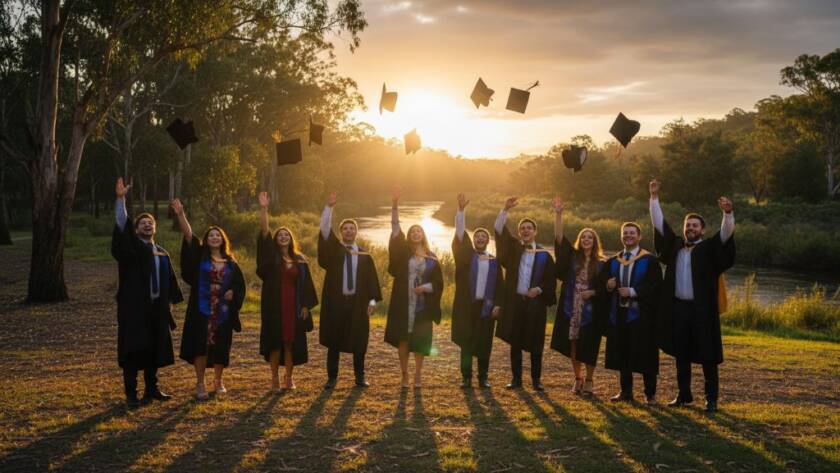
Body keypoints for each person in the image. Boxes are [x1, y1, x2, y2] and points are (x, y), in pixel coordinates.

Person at [649, 179, 735, 413]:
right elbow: (659, 225)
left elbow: (725, 237)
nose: (691, 228)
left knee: (708, 355)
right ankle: (683, 395)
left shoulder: (708, 250)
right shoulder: (676, 246)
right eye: (688, 225)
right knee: (681, 354)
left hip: (702, 311)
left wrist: (728, 213)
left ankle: (711, 399)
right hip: (679, 309)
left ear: (702, 230)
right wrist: (654, 199)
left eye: (695, 226)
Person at [111, 178, 183, 408]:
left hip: (156, 309)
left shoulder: (162, 253)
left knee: (154, 349)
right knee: (134, 350)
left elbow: (170, 283)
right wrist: (121, 198)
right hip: (134, 309)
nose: (147, 225)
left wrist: (169, 304)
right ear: (136, 229)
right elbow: (122, 225)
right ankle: (131, 393)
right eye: (142, 223)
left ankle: (152, 389)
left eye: (150, 222)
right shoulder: (132, 250)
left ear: (155, 228)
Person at [172, 199, 246, 400]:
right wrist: (181, 215)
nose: (214, 237)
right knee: (201, 345)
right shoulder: (200, 257)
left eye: (218, 235)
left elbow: (240, 285)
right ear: (207, 240)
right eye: (211, 235)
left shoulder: (231, 263)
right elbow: (189, 236)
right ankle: (200, 383)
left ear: (223, 240)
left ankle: (219, 380)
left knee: (221, 345)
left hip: (222, 311)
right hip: (201, 310)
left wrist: (233, 293)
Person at [318, 191, 382, 389]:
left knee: (359, 340)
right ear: (341, 232)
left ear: (356, 232)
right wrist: (329, 207)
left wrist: (372, 302)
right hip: (337, 302)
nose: (348, 231)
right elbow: (325, 231)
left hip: (358, 303)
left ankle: (360, 377)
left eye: (351, 229)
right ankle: (332, 377)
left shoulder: (364, 256)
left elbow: (373, 283)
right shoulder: (336, 251)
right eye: (344, 229)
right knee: (334, 339)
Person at [257, 192, 318, 391]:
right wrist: (264, 209)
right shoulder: (271, 258)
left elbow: (308, 286)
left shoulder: (300, 261)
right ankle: (274, 378)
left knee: (290, 342)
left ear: (291, 239)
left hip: (294, 305)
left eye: (286, 235)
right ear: (276, 240)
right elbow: (264, 233)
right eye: (280, 235)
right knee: (275, 342)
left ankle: (289, 377)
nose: (283, 236)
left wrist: (306, 307)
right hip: (274, 305)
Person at [494, 197, 557, 391]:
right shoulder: (514, 249)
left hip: (535, 305)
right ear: (520, 232)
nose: (526, 230)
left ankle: (536, 380)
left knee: (536, 342)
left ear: (535, 232)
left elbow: (550, 282)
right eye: (522, 228)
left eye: (529, 228)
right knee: (515, 341)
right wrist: (504, 209)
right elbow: (498, 231)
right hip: (516, 303)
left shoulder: (545, 255)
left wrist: (539, 290)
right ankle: (517, 379)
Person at [385, 187, 444, 388]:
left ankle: (418, 374)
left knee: (420, 341)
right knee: (403, 340)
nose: (416, 233)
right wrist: (394, 206)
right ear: (409, 236)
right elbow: (394, 229)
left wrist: (425, 288)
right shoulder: (403, 253)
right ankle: (404, 375)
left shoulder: (432, 257)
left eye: (419, 231)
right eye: (413, 231)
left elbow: (438, 283)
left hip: (422, 306)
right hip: (403, 304)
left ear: (423, 235)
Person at [549, 196, 606, 396]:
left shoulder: (602, 264)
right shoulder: (572, 257)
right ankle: (578, 378)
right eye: (583, 237)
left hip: (592, 309)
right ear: (580, 241)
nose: (586, 240)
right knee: (573, 344)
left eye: (590, 237)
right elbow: (558, 239)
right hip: (571, 306)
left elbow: (607, 289)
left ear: (595, 241)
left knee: (589, 345)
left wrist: (594, 292)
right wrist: (558, 214)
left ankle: (589, 380)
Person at [602, 221, 662, 404]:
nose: (628, 236)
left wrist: (634, 292)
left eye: (632, 233)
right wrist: (607, 285)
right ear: (621, 236)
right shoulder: (613, 261)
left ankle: (650, 394)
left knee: (646, 353)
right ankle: (625, 391)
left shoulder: (650, 260)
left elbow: (656, 286)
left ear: (639, 236)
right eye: (625, 233)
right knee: (623, 352)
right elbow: (602, 283)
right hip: (619, 314)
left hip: (642, 315)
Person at [451, 193, 504, 388]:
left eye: (484, 237)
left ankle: (483, 377)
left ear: (487, 241)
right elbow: (459, 234)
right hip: (468, 305)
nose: (480, 239)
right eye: (477, 236)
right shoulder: (466, 257)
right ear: (473, 240)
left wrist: (498, 305)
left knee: (484, 343)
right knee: (466, 341)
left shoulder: (494, 261)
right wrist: (461, 211)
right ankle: (466, 377)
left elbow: (500, 286)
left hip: (486, 307)